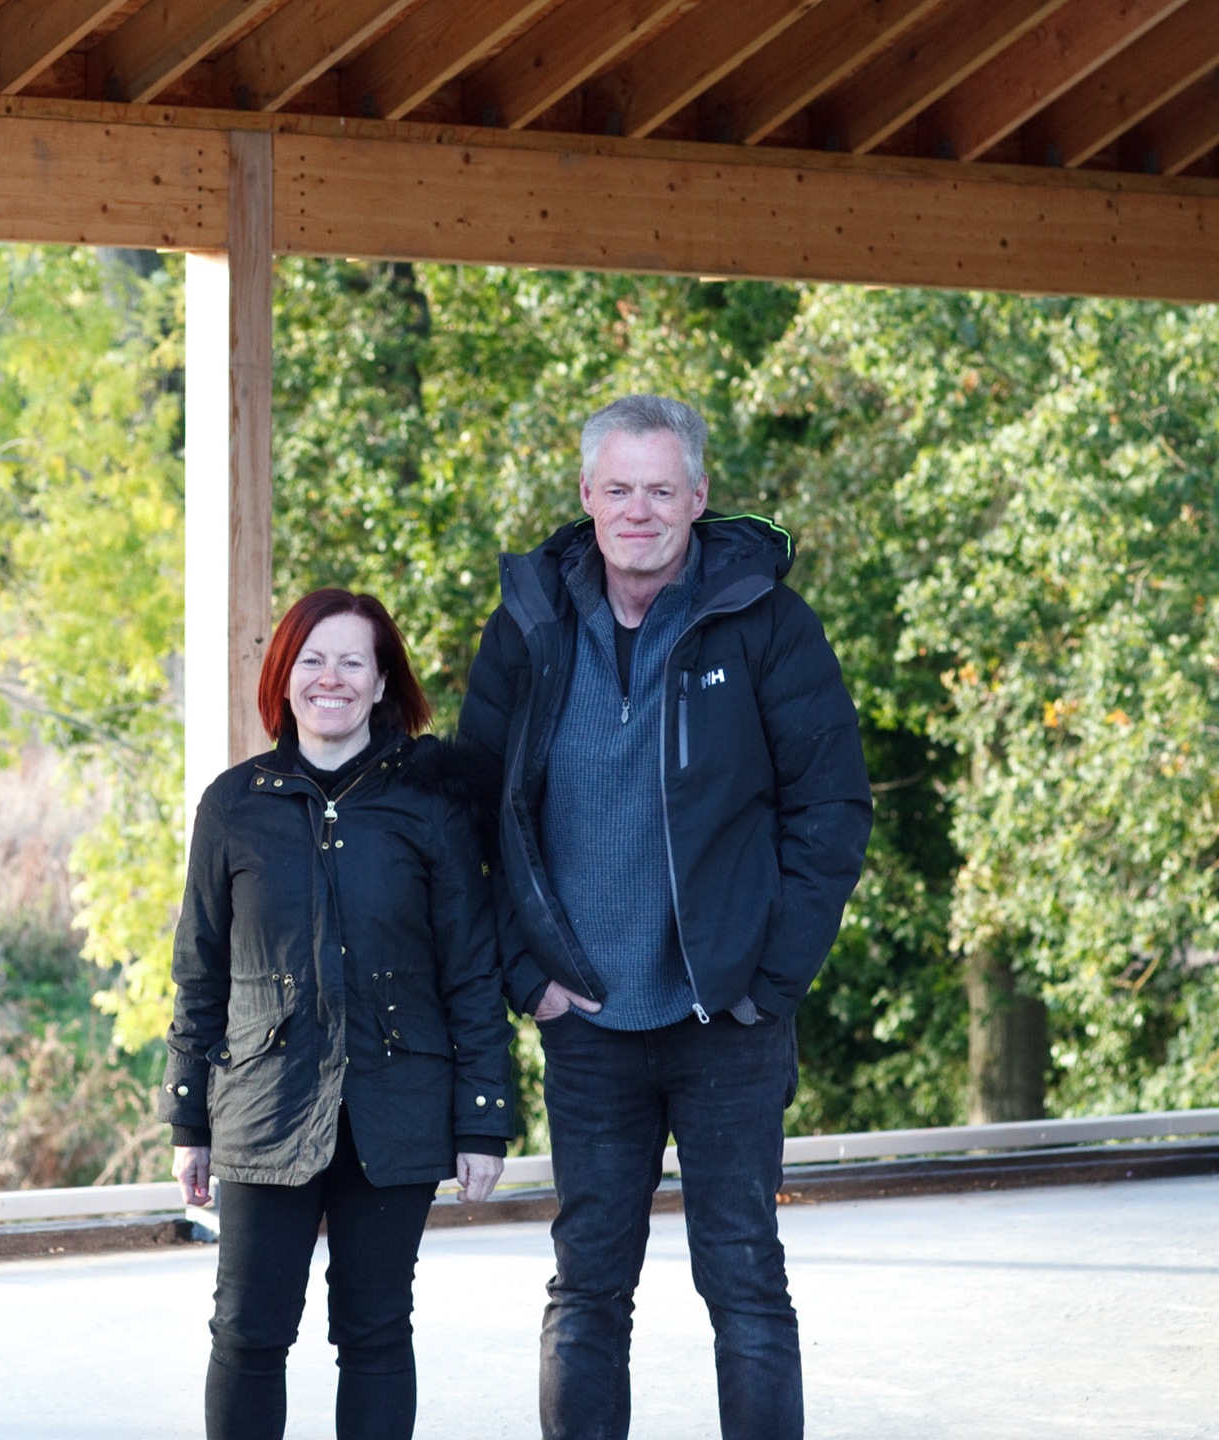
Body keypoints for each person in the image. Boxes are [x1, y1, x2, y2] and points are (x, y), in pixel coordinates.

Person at [459, 395, 872, 1440]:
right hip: (585, 1020)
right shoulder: (529, 625)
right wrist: (525, 972)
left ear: (696, 497)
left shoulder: (767, 622)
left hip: (725, 1019)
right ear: (587, 496)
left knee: (743, 1282)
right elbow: (475, 813)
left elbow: (831, 810)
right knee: (588, 1289)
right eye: (618, 489)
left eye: (660, 489)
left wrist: (767, 980)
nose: (638, 510)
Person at [162, 588, 516, 1440]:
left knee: (376, 1333)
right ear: (284, 678)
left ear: (381, 679)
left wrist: (483, 1120)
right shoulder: (233, 805)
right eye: (313, 660)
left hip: (396, 1104)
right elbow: (199, 969)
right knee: (248, 1333)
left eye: (353, 660)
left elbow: (471, 969)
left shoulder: (429, 805)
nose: (332, 678)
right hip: (262, 1104)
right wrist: (187, 1118)